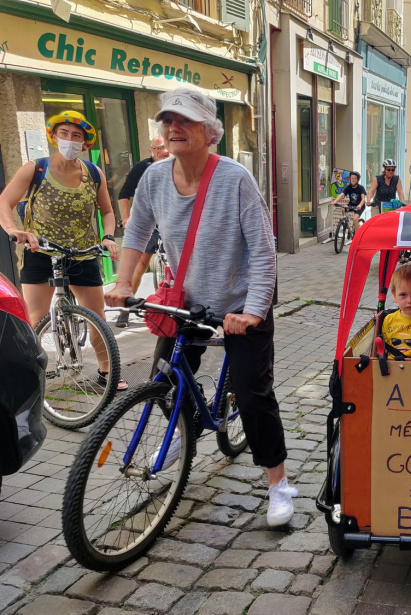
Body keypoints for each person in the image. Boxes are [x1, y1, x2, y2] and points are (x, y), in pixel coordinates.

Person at [104, 89, 296, 527]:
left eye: (185, 121)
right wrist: (122, 281)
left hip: (241, 299)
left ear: (210, 133)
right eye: (168, 121)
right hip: (186, 300)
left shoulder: (235, 179)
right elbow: (137, 234)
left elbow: (264, 251)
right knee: (165, 379)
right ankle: (180, 431)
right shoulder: (154, 178)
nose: (173, 128)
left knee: (253, 394)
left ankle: (278, 484)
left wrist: (252, 311)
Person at [0, 110, 124, 390]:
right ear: (53, 137)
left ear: (85, 144)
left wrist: (108, 236)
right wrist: (13, 230)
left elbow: (106, 211)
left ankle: (107, 372)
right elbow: (4, 202)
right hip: (40, 251)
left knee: (97, 318)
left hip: (83, 253)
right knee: (35, 318)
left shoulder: (94, 173)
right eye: (64, 134)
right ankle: (28, 378)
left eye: (76, 136)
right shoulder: (36, 168)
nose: (69, 140)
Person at [115, 136, 171, 328]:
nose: (163, 151)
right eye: (159, 148)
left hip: (170, 221)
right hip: (148, 222)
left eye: (165, 147)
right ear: (151, 150)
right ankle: (124, 310)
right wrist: (126, 219)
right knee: (140, 264)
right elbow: (124, 194)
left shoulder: (177, 164)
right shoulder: (142, 168)